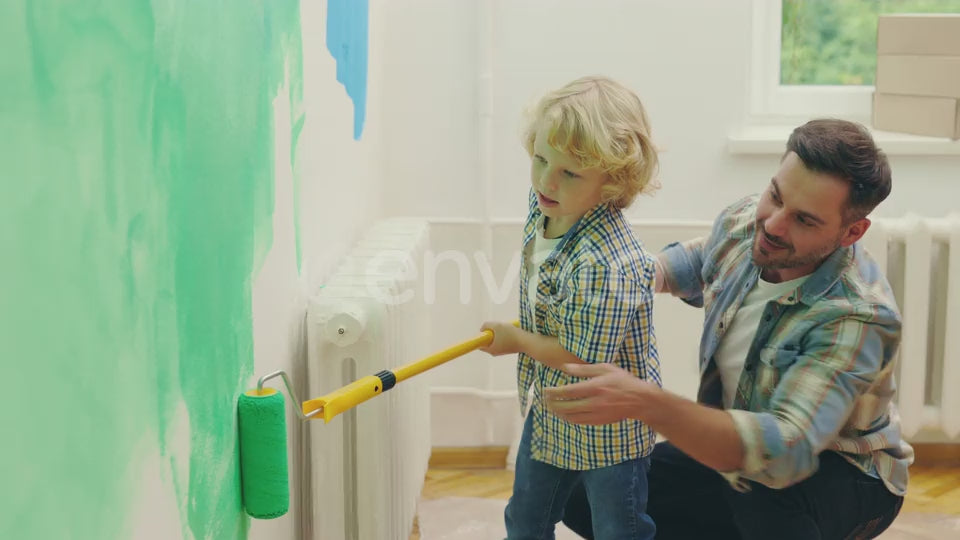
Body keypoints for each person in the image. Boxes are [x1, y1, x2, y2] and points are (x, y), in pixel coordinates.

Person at [545, 118, 914, 540]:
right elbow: (700, 262)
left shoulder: (858, 316)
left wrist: (647, 403)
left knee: (759, 494)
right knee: (589, 494)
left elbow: (782, 451)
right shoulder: (748, 223)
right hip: (740, 448)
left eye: (805, 220)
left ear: (852, 232)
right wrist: (633, 277)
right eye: (775, 195)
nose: (774, 224)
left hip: (844, 471)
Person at [479, 75, 662, 539]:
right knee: (525, 520)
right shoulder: (548, 205)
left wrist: (515, 340)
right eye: (541, 159)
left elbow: (584, 359)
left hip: (609, 426)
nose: (546, 179)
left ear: (612, 182)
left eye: (570, 172)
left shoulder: (609, 263)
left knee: (618, 529)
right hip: (553, 409)